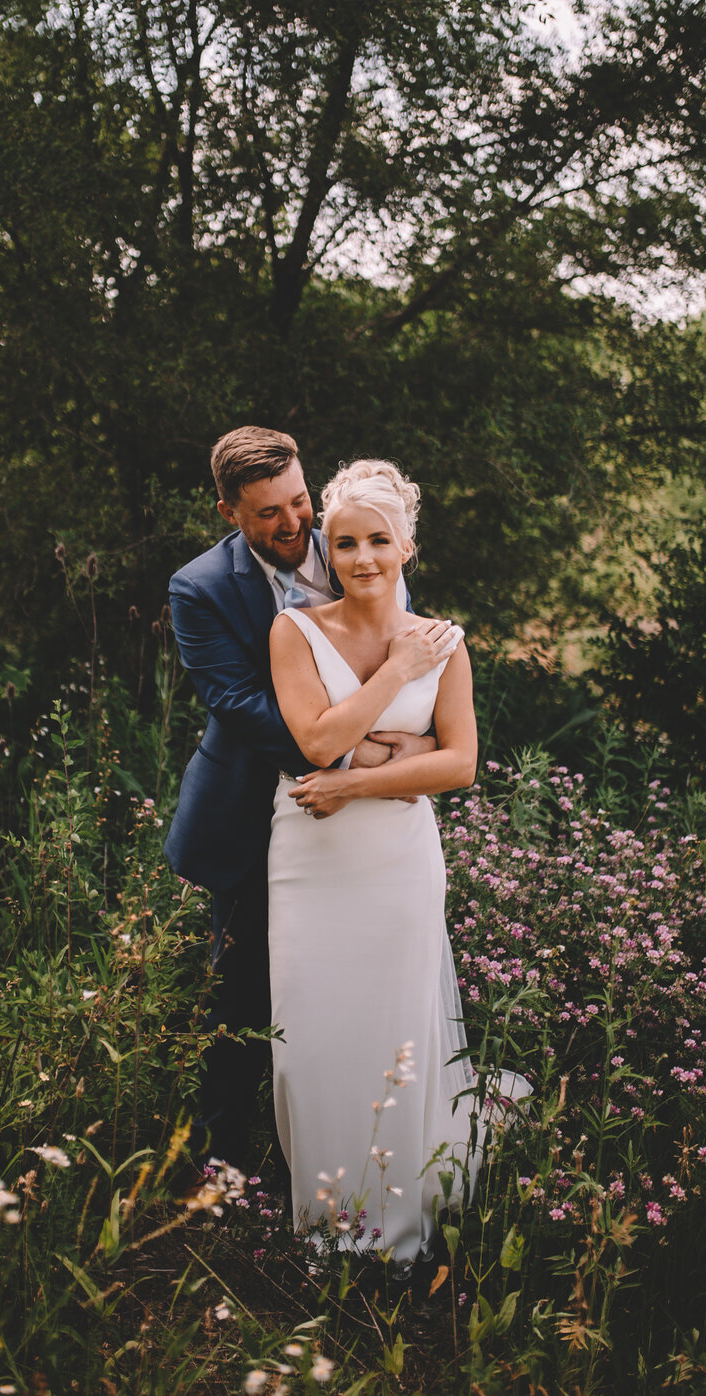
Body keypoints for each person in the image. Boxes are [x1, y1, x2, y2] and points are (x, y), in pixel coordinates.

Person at [268, 458, 529, 1266]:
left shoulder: (444, 643)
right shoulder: (295, 630)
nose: (363, 558)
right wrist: (395, 677)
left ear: (407, 545)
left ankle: (400, 1232)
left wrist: (360, 785)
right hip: (310, 859)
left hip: (395, 860)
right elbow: (317, 742)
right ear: (328, 549)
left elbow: (458, 766)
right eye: (344, 543)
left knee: (394, 1030)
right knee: (312, 1038)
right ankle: (329, 1224)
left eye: (379, 540)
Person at [165, 428, 433, 1169]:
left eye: (300, 502)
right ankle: (217, 1169)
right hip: (254, 815)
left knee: (351, 986)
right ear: (228, 512)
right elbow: (239, 704)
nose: (293, 525)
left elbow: (407, 651)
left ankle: (329, 1154)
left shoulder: (359, 541)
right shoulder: (200, 589)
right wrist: (356, 752)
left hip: (368, 818)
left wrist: (407, 751)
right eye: (267, 515)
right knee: (244, 998)